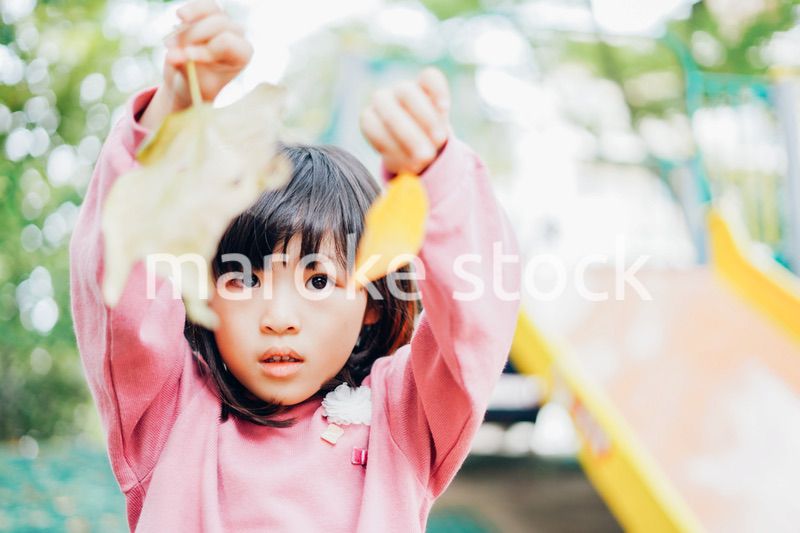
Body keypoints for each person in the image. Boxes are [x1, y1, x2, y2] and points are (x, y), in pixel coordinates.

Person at [69, 0, 522, 531]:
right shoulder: (168, 413)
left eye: (318, 279)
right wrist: (170, 118)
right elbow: (117, 282)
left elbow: (476, 324)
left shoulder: (402, 415)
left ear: (372, 303)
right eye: (243, 278)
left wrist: (436, 174)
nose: (278, 316)